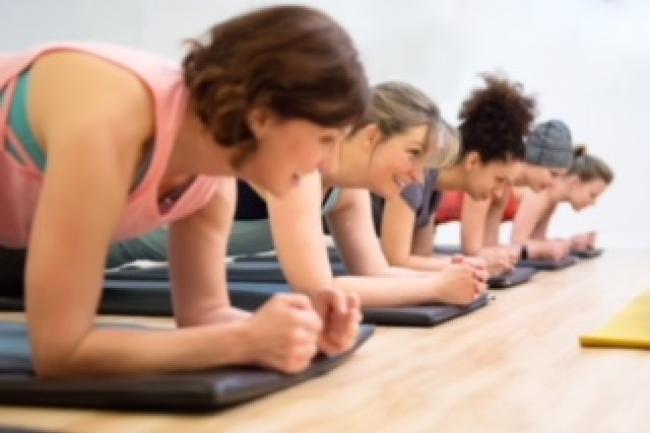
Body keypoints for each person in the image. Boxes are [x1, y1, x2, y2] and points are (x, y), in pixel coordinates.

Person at [0, 5, 369, 378]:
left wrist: (300, 334)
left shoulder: (212, 176)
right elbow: (60, 352)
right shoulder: (111, 121)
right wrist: (245, 341)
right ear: (263, 117)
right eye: (326, 139)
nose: (328, 165)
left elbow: (205, 315)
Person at [112, 81, 489, 308]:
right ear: (372, 136)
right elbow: (318, 290)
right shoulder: (304, 165)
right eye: (412, 155)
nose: (420, 176)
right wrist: (434, 288)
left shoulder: (347, 190)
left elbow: (375, 273)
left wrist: (452, 275)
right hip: (96, 243)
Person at [375, 74, 536, 277]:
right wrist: (474, 264)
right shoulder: (415, 173)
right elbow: (396, 261)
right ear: (473, 162)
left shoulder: (435, 187)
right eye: (499, 180)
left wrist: (472, 263)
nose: (499, 193)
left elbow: (420, 256)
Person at [436, 119, 574, 263]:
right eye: (553, 174)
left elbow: (489, 245)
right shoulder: (486, 178)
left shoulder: (503, 184)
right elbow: (471, 250)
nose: (554, 184)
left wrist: (503, 257)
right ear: (533, 160)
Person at [512, 146, 614, 258]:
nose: (594, 203)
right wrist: (563, 245)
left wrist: (571, 243)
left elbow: (536, 242)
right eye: (592, 195)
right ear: (575, 182)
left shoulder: (552, 199)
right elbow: (517, 245)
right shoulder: (540, 193)